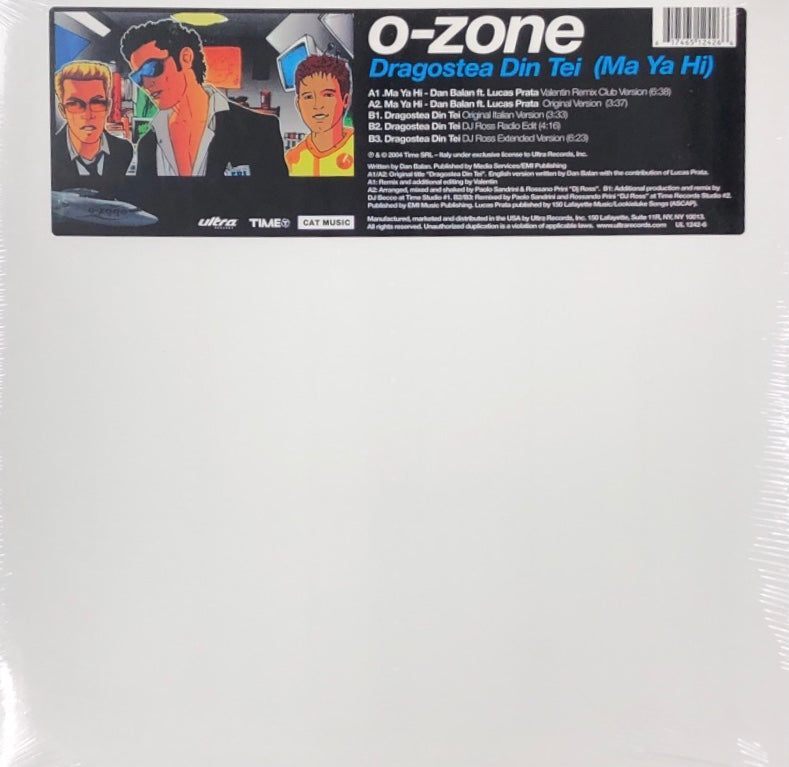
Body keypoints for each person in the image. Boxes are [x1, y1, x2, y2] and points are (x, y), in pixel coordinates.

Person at [120, 19, 288, 180]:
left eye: (151, 69)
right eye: (138, 77)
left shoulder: (260, 130)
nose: (146, 83)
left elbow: (278, 197)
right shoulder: (148, 143)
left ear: (186, 57)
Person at [52, 60, 133, 189]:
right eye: (75, 104)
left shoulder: (124, 151)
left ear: (108, 106)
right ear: (63, 111)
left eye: (96, 103)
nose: (88, 114)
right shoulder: (51, 152)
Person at [286, 55, 354, 177]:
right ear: (298, 104)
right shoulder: (291, 160)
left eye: (328, 95)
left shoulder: (361, 148)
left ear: (345, 100)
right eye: (308, 97)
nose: (317, 105)